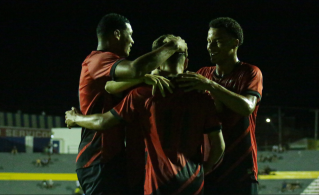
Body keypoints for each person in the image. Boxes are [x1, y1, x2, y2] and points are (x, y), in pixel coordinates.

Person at [66, 34, 225, 195]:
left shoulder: (143, 93)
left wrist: (76, 118)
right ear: (186, 63)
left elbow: (104, 118)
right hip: (193, 183)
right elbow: (219, 147)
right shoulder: (203, 97)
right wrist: (202, 170)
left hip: (158, 184)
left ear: (158, 61)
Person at [75, 13, 187, 195]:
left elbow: (112, 86)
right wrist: (173, 46)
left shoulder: (130, 81)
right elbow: (135, 69)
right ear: (117, 34)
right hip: (98, 158)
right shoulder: (98, 59)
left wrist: (144, 77)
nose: (133, 41)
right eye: (130, 34)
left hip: (115, 159)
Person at [177, 17, 263, 194]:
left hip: (240, 167)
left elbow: (247, 107)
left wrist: (210, 86)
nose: (211, 46)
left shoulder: (250, 72)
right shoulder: (203, 73)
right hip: (209, 166)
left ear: (235, 43)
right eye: (209, 41)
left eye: (218, 41)